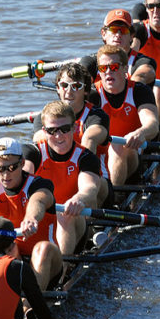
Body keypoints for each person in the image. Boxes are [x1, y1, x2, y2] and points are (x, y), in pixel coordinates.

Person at [0, 137, 63, 291]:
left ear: (22, 163)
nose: (5, 174)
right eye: (0, 168)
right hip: (10, 256)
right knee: (1, 249)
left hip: (47, 260)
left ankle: (27, 307)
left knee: (42, 249)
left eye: (11, 168)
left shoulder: (39, 184)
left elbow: (38, 202)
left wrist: (31, 219)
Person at [24, 101, 105, 256]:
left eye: (64, 129)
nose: (58, 136)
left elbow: (89, 188)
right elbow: (24, 180)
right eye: (52, 130)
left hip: (72, 218)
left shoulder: (86, 157)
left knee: (64, 214)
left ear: (74, 128)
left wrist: (78, 198)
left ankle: (63, 269)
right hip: (39, 218)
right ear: (44, 131)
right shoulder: (31, 153)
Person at [93, 44, 160, 186]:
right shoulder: (93, 94)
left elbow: (152, 125)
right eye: (103, 68)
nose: (108, 72)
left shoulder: (139, 91)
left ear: (125, 69)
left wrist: (140, 132)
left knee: (117, 145)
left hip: (130, 152)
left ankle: (114, 196)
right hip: (99, 157)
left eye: (114, 67)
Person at [79, 9, 156, 86]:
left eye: (124, 30)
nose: (118, 35)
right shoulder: (90, 61)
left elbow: (142, 75)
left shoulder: (143, 62)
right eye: (113, 29)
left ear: (131, 36)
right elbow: (80, 78)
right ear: (103, 34)